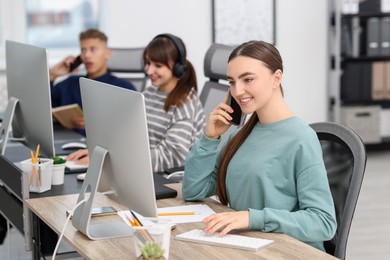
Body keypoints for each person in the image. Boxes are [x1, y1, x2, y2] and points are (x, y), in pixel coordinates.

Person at [182, 40, 337, 251]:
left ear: (277, 78)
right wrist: (209, 138)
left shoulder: (301, 139)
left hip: (287, 252)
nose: (237, 91)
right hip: (245, 246)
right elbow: (194, 191)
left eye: (248, 79)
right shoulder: (239, 136)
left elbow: (323, 223)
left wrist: (251, 218)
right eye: (232, 82)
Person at [67, 33, 206, 173]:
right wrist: (100, 153)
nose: (149, 70)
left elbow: (172, 157)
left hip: (170, 179)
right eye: (147, 63)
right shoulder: (150, 93)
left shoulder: (185, 103)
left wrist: (112, 160)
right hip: (143, 171)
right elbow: (126, 133)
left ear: (177, 68)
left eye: (157, 65)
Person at [49, 28, 136, 135]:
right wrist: (52, 75)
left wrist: (98, 125)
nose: (87, 55)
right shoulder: (70, 84)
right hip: (66, 142)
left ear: (107, 53)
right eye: (83, 50)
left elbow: (132, 128)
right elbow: (41, 109)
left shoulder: (124, 88)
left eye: (93, 49)